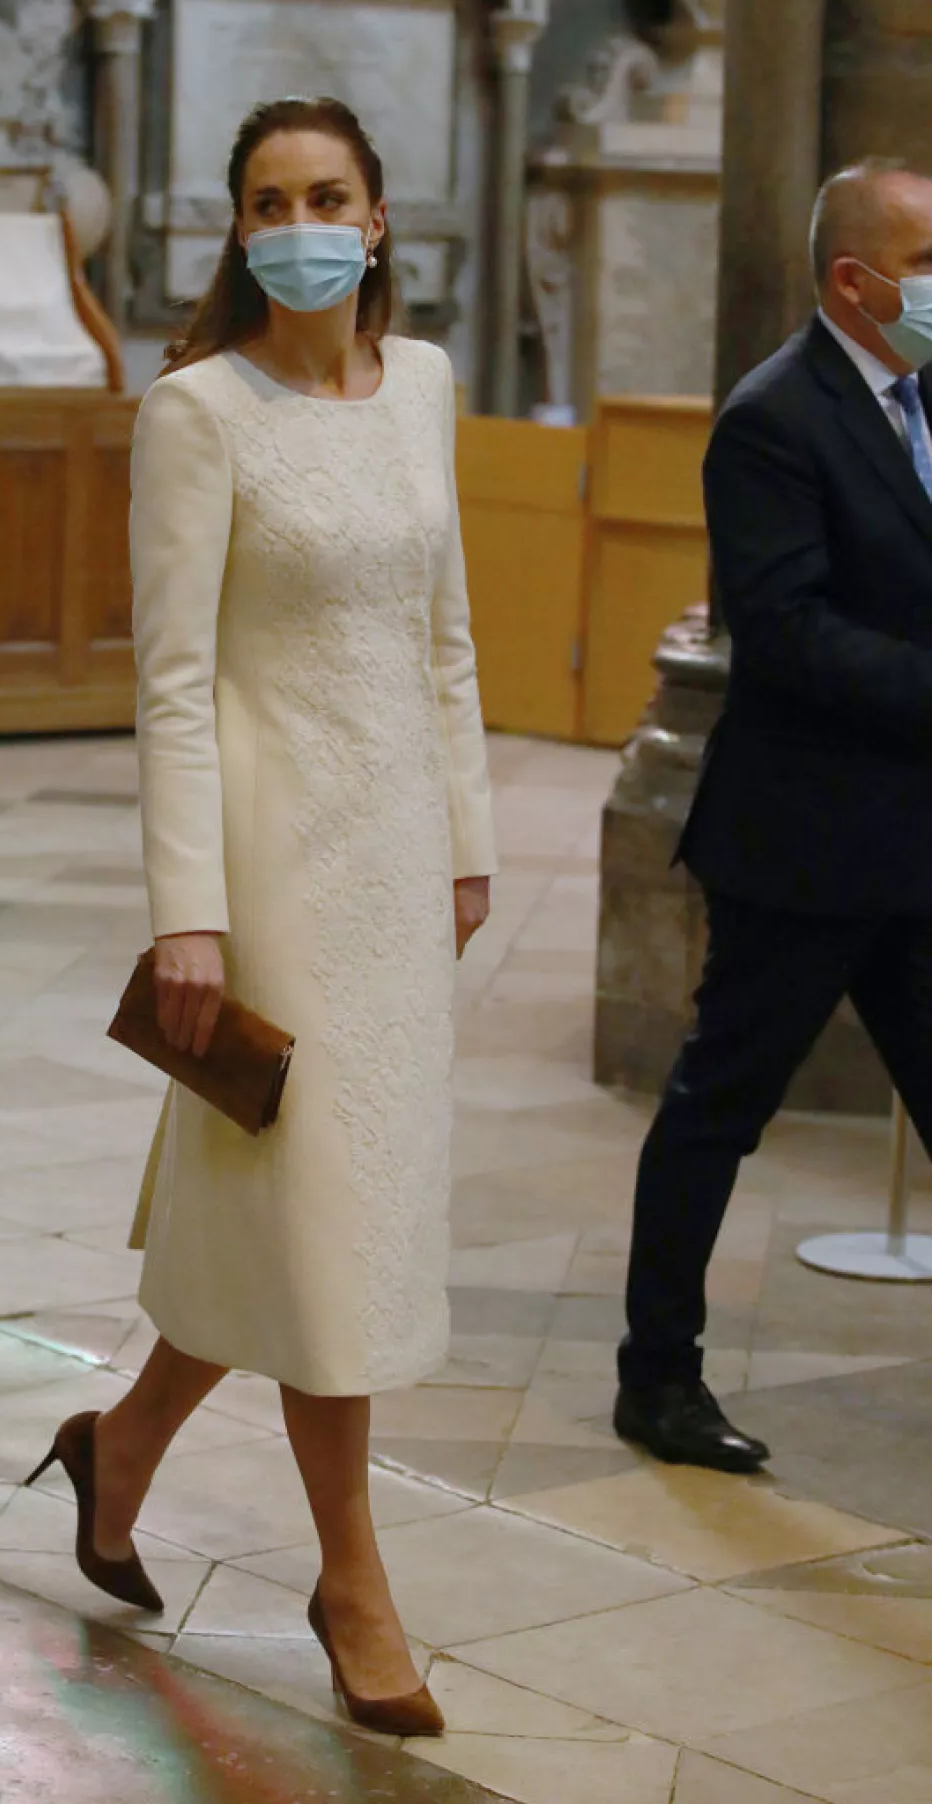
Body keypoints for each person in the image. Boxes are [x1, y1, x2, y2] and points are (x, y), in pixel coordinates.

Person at [26, 96, 496, 1736]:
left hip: (396, 865)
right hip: (272, 874)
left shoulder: (427, 384)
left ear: (376, 220)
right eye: (270, 199)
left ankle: (121, 1448)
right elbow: (168, 687)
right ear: (240, 231)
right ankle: (353, 1581)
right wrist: (189, 914)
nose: (302, 219)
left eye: (331, 194)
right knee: (318, 1230)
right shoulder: (196, 414)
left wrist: (469, 841)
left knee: (304, 1219)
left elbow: (444, 634)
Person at [615, 158, 932, 1473]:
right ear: (858, 279)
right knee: (718, 1107)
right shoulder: (773, 419)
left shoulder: (921, 393)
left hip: (916, 841)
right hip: (803, 843)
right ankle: (658, 1378)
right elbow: (789, 635)